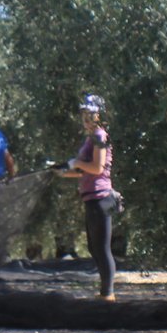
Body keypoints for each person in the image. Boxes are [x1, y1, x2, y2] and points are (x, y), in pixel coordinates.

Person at [60, 94, 118, 301]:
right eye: (84, 114)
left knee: (102, 248)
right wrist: (64, 171)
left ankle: (108, 294)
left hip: (100, 198)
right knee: (94, 247)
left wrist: (75, 162)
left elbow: (96, 167)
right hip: (91, 198)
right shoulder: (91, 138)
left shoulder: (100, 136)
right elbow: (85, 170)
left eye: (90, 114)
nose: (86, 118)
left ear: (99, 115)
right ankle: (105, 292)